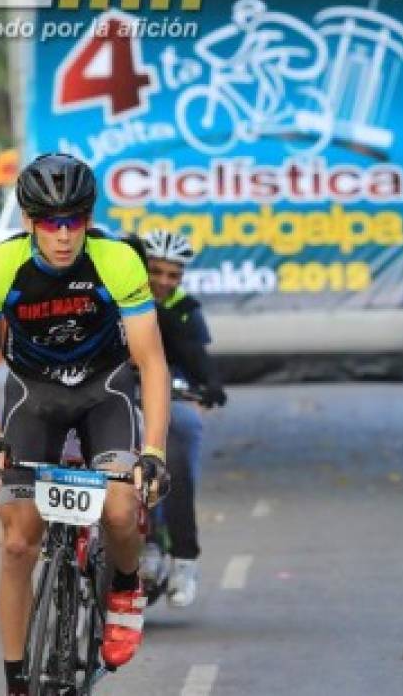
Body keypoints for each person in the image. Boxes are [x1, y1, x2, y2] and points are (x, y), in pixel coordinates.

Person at [0, 152, 170, 696]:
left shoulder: (117, 261)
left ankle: (124, 585)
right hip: (34, 394)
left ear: (89, 216)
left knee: (121, 510)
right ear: (29, 221)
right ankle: (16, 681)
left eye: (74, 219)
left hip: (105, 390)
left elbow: (150, 361)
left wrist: (154, 451)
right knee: (17, 542)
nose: (63, 234)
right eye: (51, 222)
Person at [134, 230, 227, 609]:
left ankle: (182, 557)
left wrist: (209, 388)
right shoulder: (124, 301)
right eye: (155, 271)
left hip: (172, 395)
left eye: (173, 275)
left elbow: (201, 364)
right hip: (125, 392)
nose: (163, 282)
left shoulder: (186, 310)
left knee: (180, 445)